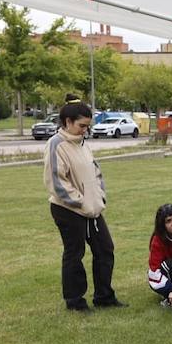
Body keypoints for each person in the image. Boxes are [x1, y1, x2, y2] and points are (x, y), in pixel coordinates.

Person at [44, 101, 126, 311]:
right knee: (75, 254)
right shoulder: (56, 145)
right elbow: (57, 182)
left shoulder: (82, 143)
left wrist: (99, 197)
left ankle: (104, 296)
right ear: (67, 122)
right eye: (81, 125)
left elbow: (95, 172)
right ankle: (75, 301)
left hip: (92, 209)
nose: (85, 130)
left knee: (105, 249)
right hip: (68, 210)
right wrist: (82, 201)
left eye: (87, 126)